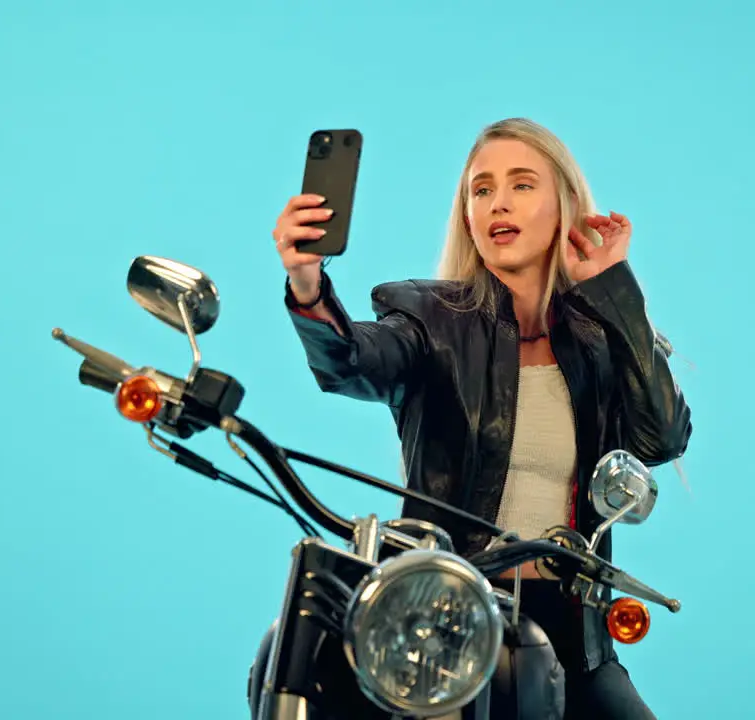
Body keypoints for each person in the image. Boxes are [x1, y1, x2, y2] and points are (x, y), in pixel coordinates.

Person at [272, 117, 692, 718]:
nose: (498, 202)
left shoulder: (601, 341)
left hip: (575, 635)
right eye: (481, 188)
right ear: (467, 213)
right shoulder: (428, 318)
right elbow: (350, 360)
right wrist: (307, 281)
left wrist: (614, 293)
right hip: (446, 621)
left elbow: (662, 438)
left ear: (563, 208)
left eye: (522, 185)